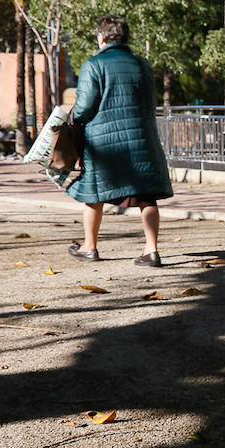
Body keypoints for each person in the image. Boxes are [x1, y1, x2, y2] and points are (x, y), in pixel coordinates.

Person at [66, 15, 173, 267]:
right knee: (146, 196)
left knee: (94, 193)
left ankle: (90, 247)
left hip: (104, 142)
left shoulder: (94, 64)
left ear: (101, 37)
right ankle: (151, 250)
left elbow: (83, 107)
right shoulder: (143, 65)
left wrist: (73, 117)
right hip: (141, 139)